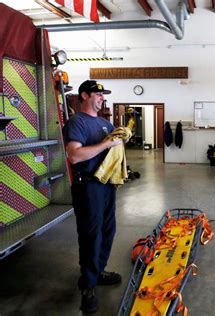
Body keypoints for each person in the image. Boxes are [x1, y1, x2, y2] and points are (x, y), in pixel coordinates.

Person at [63, 80, 123, 313]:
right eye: (98, 94)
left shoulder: (104, 123)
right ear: (84, 95)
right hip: (88, 187)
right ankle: (87, 286)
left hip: (107, 186)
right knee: (91, 235)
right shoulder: (77, 122)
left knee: (108, 230)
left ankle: (98, 271)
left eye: (103, 95)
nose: (102, 98)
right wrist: (107, 142)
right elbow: (75, 156)